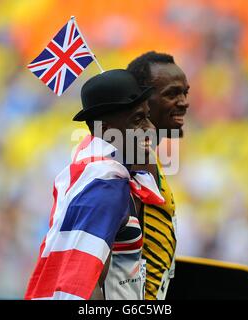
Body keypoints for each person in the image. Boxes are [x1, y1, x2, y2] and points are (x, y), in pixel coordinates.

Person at [24, 69, 164, 300]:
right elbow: (79, 288)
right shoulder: (105, 189)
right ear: (107, 132)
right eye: (138, 120)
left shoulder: (111, 178)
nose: (151, 128)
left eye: (148, 116)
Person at [127, 51, 190, 299]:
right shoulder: (123, 168)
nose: (184, 102)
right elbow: (96, 270)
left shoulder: (149, 160)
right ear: (141, 101)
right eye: (172, 94)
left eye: (185, 92)